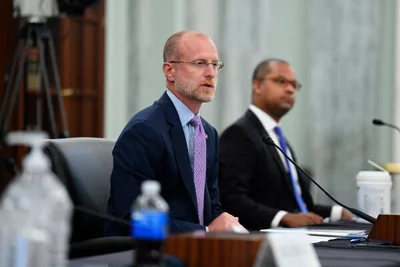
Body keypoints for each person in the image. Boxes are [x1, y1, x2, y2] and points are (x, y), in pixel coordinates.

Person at [105, 30, 246, 236]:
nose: (211, 73)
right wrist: (205, 231)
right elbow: (129, 219)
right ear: (170, 71)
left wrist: (227, 224)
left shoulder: (207, 133)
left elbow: (210, 206)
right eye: (199, 63)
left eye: (215, 65)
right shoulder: (145, 131)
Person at [218, 59, 353, 230]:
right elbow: (232, 199)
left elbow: (296, 206)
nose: (290, 89)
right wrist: (282, 218)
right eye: (281, 81)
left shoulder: (277, 137)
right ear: (257, 86)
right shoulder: (239, 134)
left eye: (294, 85)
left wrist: (335, 212)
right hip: (261, 239)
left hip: (300, 233)